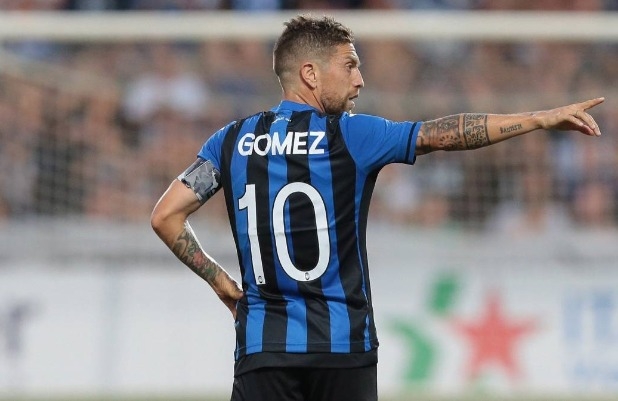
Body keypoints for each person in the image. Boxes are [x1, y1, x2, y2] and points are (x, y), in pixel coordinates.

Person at [150, 14, 604, 401]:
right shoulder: (352, 134)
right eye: (349, 65)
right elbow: (445, 133)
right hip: (343, 347)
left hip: (262, 348)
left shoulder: (230, 141)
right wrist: (538, 119)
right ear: (310, 74)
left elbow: (165, 216)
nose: (360, 80)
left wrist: (222, 284)